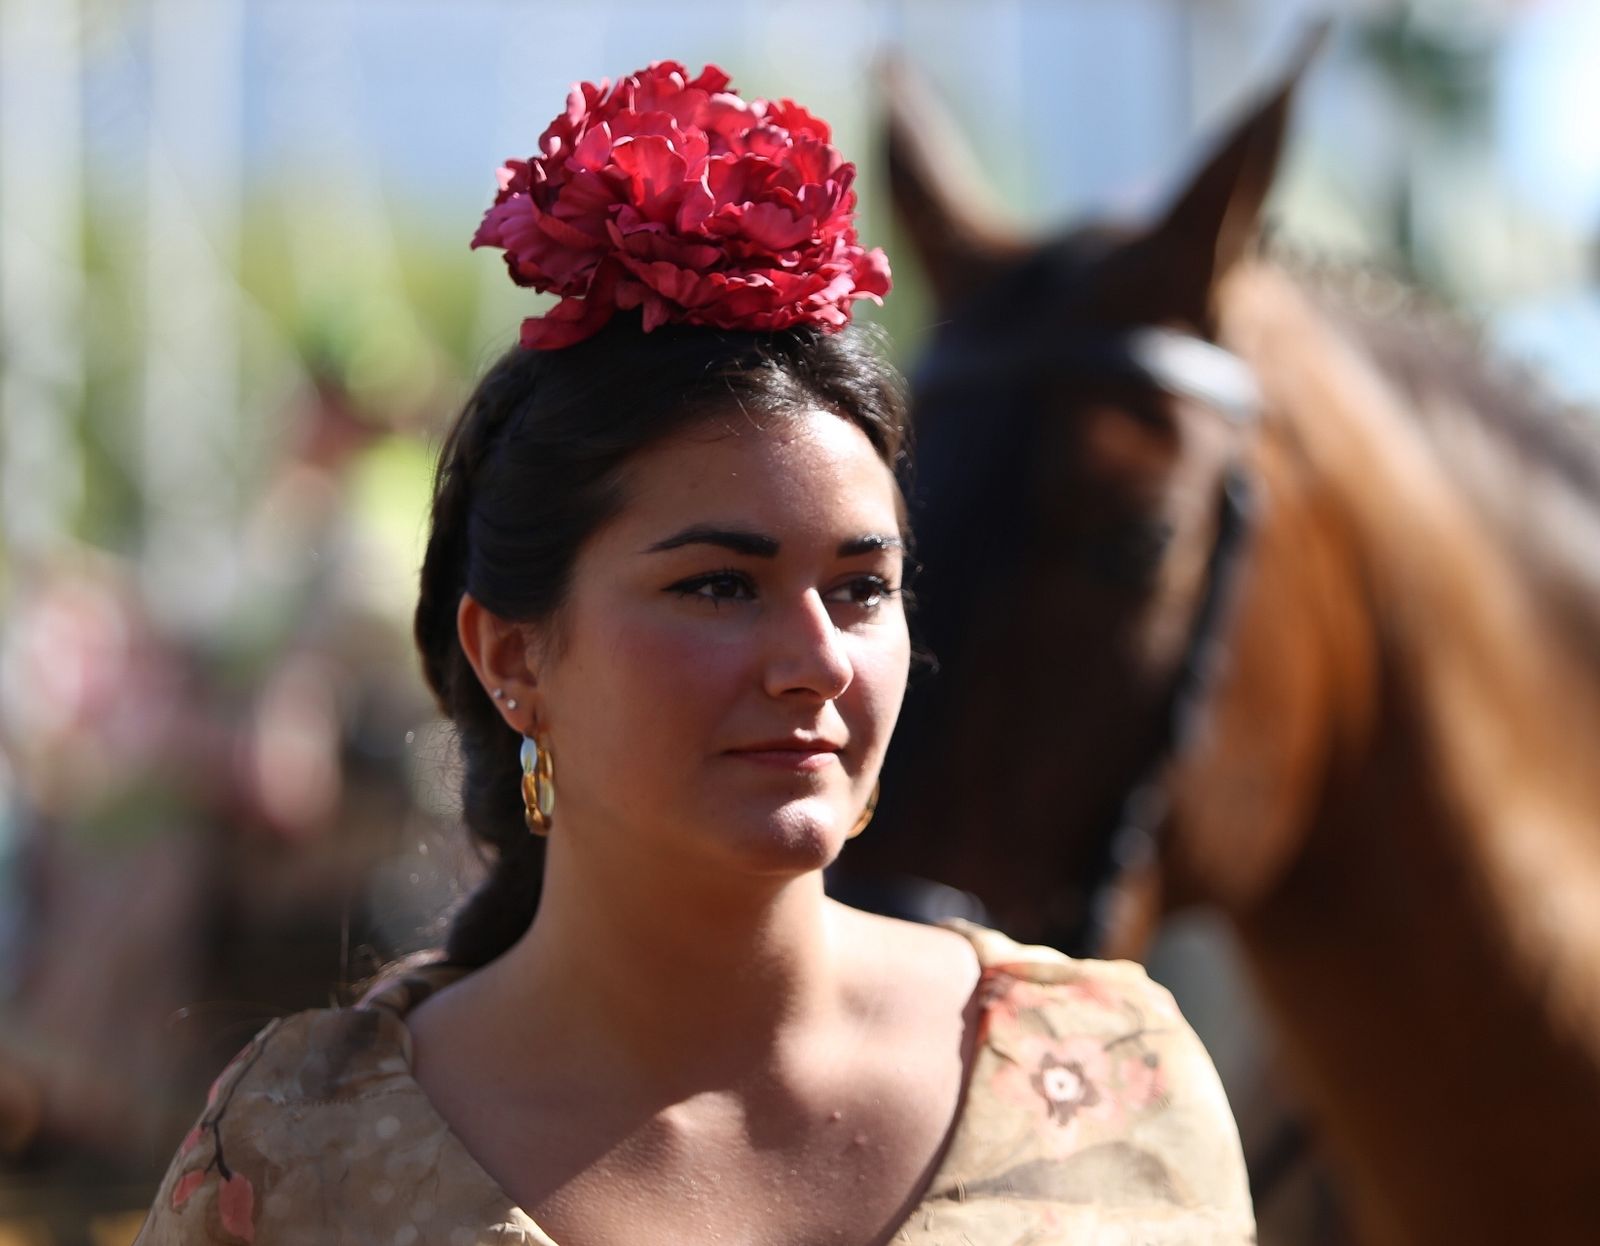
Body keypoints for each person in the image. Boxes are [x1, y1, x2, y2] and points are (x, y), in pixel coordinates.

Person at [135, 62, 1254, 1244]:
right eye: (718, 584)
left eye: (861, 587)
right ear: (512, 655)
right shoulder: (297, 1157)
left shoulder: (1115, 1082)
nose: (816, 657)